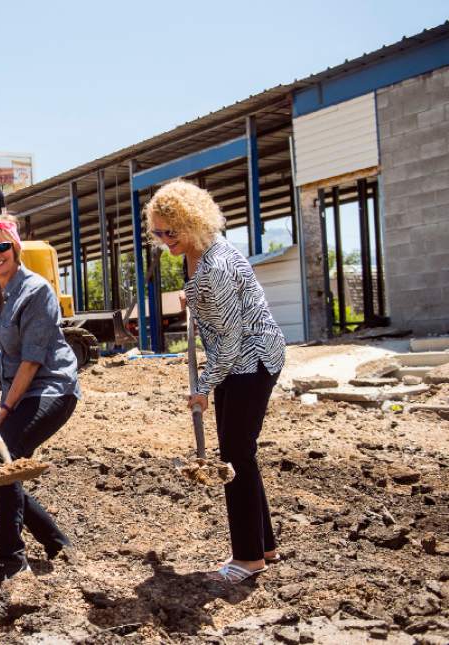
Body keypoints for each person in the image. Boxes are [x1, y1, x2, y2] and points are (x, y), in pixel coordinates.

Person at [144, 180, 286, 584]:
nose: (164, 240)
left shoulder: (215, 267)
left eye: (171, 232)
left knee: (234, 459)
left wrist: (203, 387)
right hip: (242, 358)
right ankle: (265, 545)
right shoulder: (201, 253)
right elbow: (215, 301)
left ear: (193, 223)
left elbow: (228, 342)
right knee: (241, 452)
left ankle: (247, 558)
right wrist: (194, 296)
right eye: (157, 233)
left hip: (250, 361)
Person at [0, 213, 82, 595]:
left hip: (52, 388)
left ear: (14, 248)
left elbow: (32, 360)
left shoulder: (37, 291)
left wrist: (5, 410)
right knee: (8, 468)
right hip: (17, 390)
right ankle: (55, 541)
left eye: (1, 247)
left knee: (2, 459)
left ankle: (11, 557)